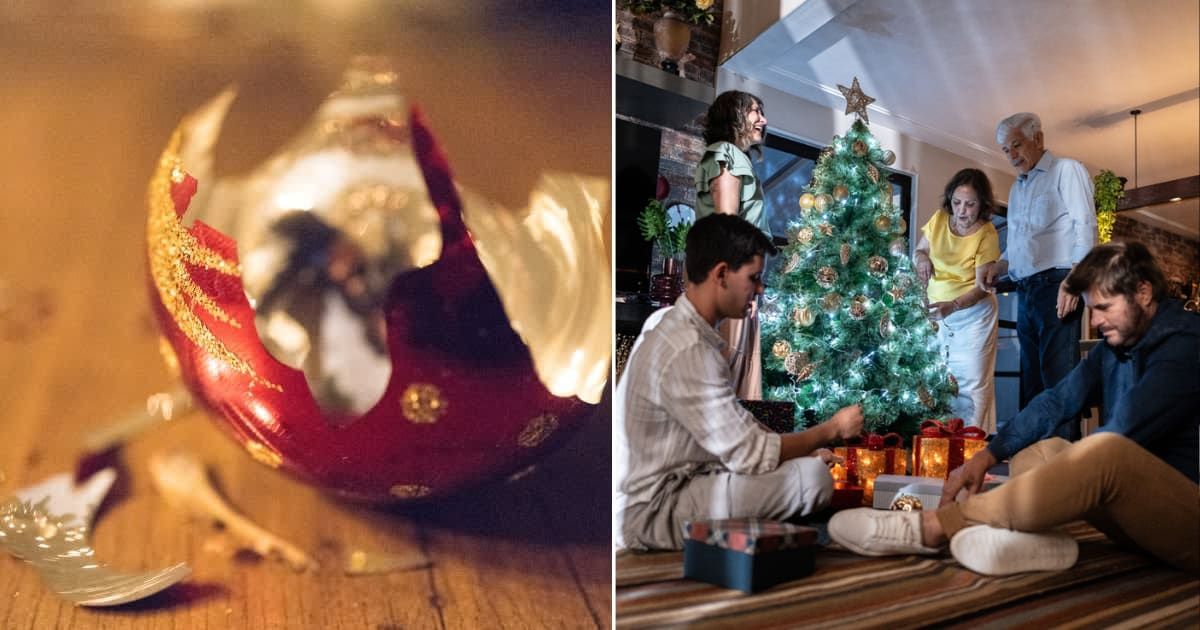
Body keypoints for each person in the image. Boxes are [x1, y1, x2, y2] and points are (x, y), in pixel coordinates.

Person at [828, 241, 1199, 576]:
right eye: (1092, 309)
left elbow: (1123, 435)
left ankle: (931, 528)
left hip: (1185, 522)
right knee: (1043, 452)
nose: (1096, 321)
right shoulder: (1115, 347)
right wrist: (986, 457)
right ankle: (1039, 544)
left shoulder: (1186, 344)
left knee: (1104, 452)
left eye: (1104, 308)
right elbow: (1056, 402)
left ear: (1144, 292)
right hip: (1135, 521)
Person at [614, 213, 864, 551]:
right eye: (754, 278)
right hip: (653, 511)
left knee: (801, 467)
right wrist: (832, 429)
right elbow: (749, 453)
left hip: (680, 487)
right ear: (721, 275)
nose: (760, 289)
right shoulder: (688, 349)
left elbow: (737, 428)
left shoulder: (675, 328)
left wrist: (800, 450)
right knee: (812, 480)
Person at [978, 112, 1097, 439]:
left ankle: (1063, 468)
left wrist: (1074, 282)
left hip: (1058, 284)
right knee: (1031, 378)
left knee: (1058, 378)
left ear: (1038, 139)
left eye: (1016, 145)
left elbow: (1085, 229)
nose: (1011, 154)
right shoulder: (1017, 190)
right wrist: (999, 265)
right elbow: (1018, 244)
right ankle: (1034, 459)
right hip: (1025, 290)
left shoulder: (1067, 170)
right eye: (1005, 149)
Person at [694, 90, 771, 400]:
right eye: (755, 111)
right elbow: (726, 224)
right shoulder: (726, 153)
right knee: (727, 378)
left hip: (739, 279)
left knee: (738, 378)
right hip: (731, 281)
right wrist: (742, 286)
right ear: (734, 115)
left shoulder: (735, 157)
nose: (763, 120)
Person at [915, 169, 1001, 432]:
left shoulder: (987, 235)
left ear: (982, 204)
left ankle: (972, 442)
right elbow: (920, 250)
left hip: (972, 315)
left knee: (971, 381)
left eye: (970, 204)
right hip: (937, 313)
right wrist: (921, 259)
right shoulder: (940, 219)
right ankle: (939, 440)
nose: (962, 211)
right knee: (938, 378)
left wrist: (953, 306)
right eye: (957, 203)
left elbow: (982, 287)